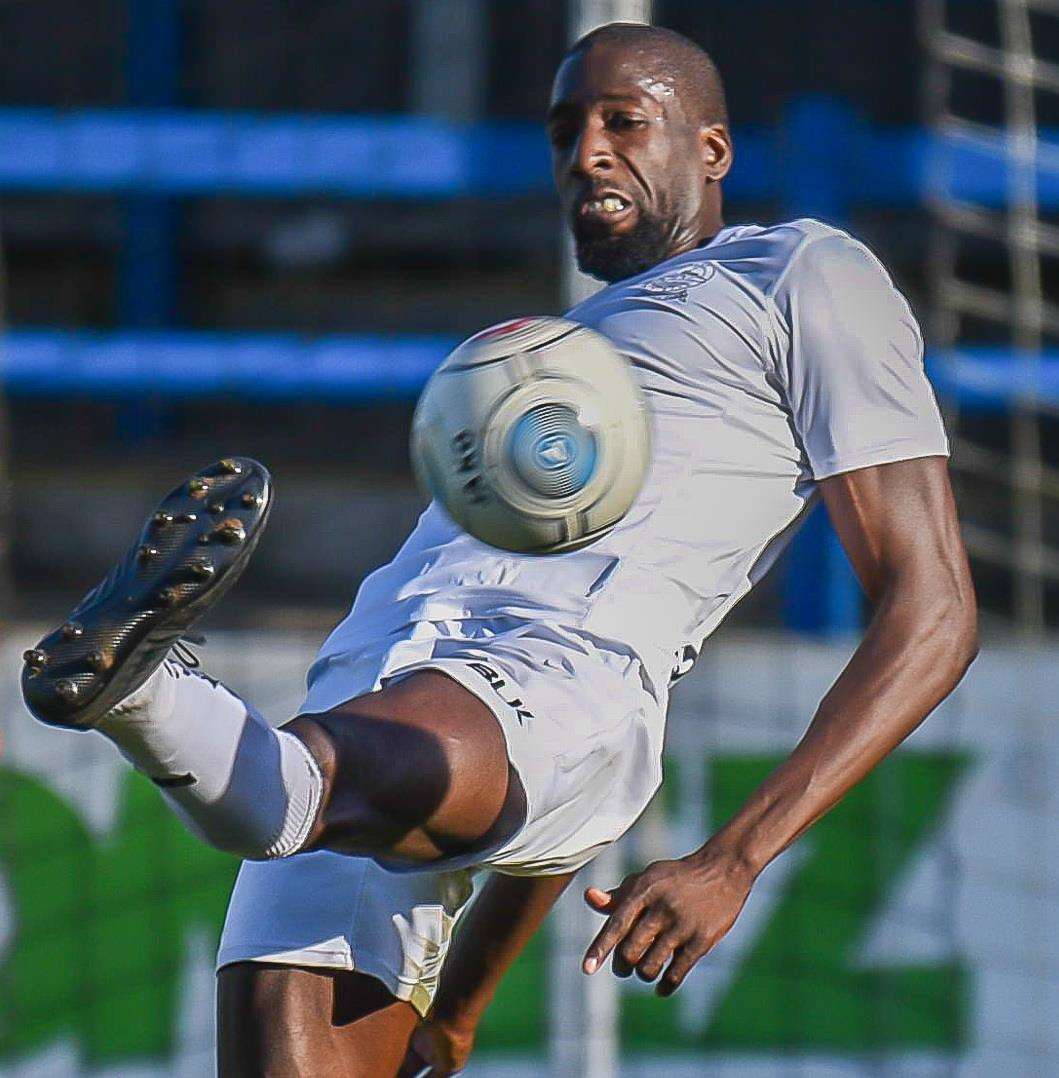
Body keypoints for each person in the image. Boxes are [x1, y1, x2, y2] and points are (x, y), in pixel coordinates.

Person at [21, 22, 977, 1078]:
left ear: (713, 151)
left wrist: (735, 855)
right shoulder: (565, 344)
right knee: (290, 823)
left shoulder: (799, 271)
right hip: (389, 658)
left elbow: (933, 609)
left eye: (625, 121)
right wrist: (461, 1004)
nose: (588, 152)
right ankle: (149, 689)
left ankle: (142, 688)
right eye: (566, 129)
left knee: (294, 790)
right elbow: (537, 823)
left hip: (563, 665)